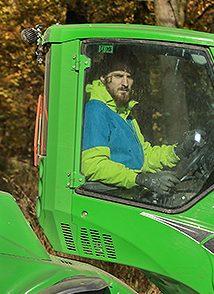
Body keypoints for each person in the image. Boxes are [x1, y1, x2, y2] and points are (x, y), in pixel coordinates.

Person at [81, 50, 197, 193]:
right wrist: (141, 179)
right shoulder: (96, 110)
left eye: (129, 77)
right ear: (103, 78)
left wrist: (179, 151)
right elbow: (93, 165)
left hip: (128, 196)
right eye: (118, 76)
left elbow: (144, 157)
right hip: (110, 199)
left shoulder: (124, 113)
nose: (125, 83)